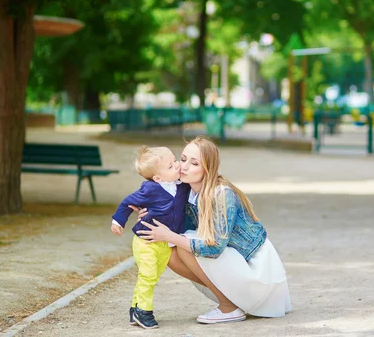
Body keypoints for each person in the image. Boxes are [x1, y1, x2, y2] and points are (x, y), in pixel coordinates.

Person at [134, 136, 291, 324]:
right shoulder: (184, 189)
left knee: (182, 244)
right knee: (170, 252)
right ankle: (231, 299)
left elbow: (214, 247)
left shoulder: (222, 194)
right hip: (232, 261)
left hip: (255, 268)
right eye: (183, 159)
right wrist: (147, 212)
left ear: (207, 169)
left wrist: (170, 236)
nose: (183, 167)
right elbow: (170, 214)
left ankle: (229, 307)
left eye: (194, 164)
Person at [110, 146, 190, 329]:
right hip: (145, 240)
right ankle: (145, 312)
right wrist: (118, 222)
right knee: (147, 275)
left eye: (175, 161)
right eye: (171, 166)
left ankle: (135, 309)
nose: (177, 166)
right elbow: (128, 202)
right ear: (158, 178)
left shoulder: (181, 185)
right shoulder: (150, 189)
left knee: (152, 278)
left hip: (164, 243)